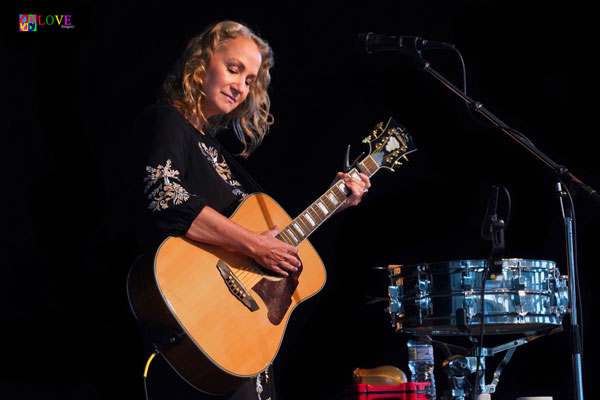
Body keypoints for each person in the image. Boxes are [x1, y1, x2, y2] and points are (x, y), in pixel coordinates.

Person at [130, 20, 371, 399]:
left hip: (239, 332)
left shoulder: (211, 148)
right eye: (233, 69)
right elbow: (164, 195)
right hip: (196, 314)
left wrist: (334, 201)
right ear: (201, 63)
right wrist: (254, 245)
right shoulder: (168, 121)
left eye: (250, 80)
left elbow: (268, 241)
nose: (241, 86)